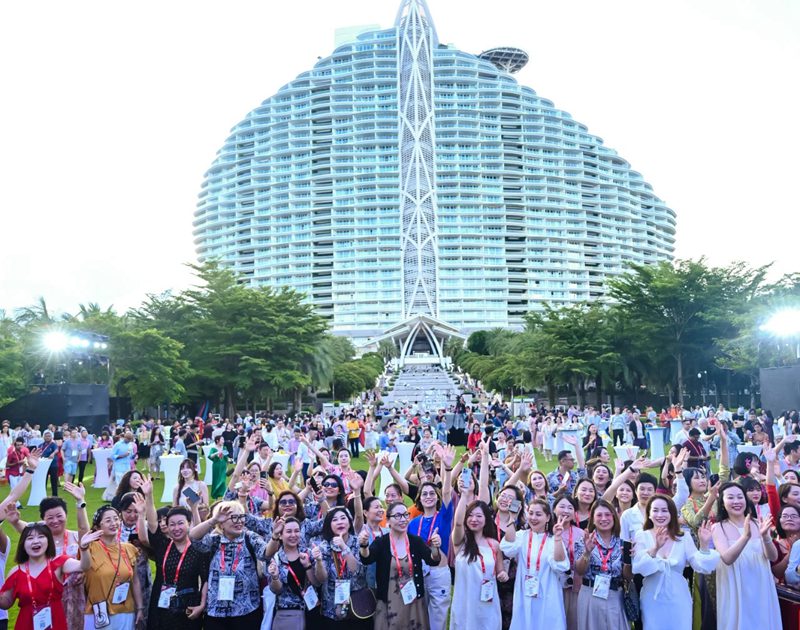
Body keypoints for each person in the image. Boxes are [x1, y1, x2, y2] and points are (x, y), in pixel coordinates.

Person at [5, 481, 90, 630]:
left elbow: (84, 533)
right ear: (42, 519)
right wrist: (15, 521)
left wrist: (80, 502)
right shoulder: (40, 540)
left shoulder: (76, 537)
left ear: (66, 515)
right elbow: (26, 531)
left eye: (59, 516)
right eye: (50, 517)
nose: (55, 521)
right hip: (42, 598)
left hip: (73, 595)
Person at [632, 496, 719, 630]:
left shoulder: (683, 536)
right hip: (652, 598)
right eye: (655, 510)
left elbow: (698, 564)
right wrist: (655, 548)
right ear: (649, 514)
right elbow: (640, 568)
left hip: (679, 597)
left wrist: (704, 545)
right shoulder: (641, 535)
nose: (660, 515)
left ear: (672, 513)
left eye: (664, 510)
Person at [359, 501, 442, 630]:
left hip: (413, 601)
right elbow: (367, 559)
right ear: (388, 520)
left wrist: (435, 548)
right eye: (397, 516)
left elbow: (433, 560)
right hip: (389, 601)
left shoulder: (415, 541)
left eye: (405, 515)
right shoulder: (382, 542)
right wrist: (364, 545)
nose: (403, 519)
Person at [188, 501, 268, 630]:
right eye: (233, 517)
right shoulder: (215, 540)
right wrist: (214, 520)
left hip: (246, 610)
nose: (239, 521)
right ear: (221, 523)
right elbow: (193, 537)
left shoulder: (250, 538)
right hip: (216, 611)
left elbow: (266, 553)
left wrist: (275, 537)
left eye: (241, 517)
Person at [137, 489, 209, 630]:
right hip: (162, 604)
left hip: (188, 606)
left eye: (180, 523)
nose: (176, 528)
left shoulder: (197, 549)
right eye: (172, 524)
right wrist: (149, 495)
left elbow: (205, 578)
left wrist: (202, 604)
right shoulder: (163, 545)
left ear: (189, 523)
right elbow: (152, 525)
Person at [711, 482, 780, 629]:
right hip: (735, 586)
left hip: (760, 584)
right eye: (730, 497)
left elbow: (773, 557)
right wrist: (745, 537)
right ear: (722, 503)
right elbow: (727, 558)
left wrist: (765, 537)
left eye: (739, 497)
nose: (736, 501)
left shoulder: (758, 523)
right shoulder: (718, 528)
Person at [0, 522, 93, 630]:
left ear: (48, 541)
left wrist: (84, 549)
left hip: (56, 623)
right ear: (23, 544)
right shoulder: (16, 572)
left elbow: (84, 566)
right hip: (26, 624)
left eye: (41, 537)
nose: (36, 541)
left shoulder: (58, 563)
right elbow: (6, 603)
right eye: (30, 538)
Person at [500, 498, 570, 630]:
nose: (533, 518)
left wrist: (558, 538)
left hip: (548, 591)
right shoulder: (522, 535)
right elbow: (508, 548)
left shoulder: (552, 539)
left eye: (538, 514)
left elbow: (560, 565)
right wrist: (512, 518)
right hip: (524, 591)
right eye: (530, 513)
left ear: (548, 517)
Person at [82, 505, 145, 630]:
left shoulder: (129, 548)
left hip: (126, 612)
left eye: (116, 519)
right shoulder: (89, 548)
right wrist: (80, 504)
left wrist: (140, 608)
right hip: (98, 613)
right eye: (108, 520)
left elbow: (135, 581)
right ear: (97, 527)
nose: (114, 523)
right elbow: (82, 528)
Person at [450, 494, 507, 630]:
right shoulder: (460, 542)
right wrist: (464, 495)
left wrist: (503, 575)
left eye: (479, 516)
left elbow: (500, 571)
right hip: (465, 602)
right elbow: (458, 523)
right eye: (470, 515)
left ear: (486, 519)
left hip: (487, 602)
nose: (474, 519)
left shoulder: (494, 545)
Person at [574, 499, 627, 630]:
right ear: (592, 519)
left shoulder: (622, 542)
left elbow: (628, 576)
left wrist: (628, 560)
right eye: (599, 515)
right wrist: (587, 552)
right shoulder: (584, 541)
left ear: (614, 517)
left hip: (615, 595)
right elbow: (579, 571)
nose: (604, 519)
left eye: (607, 515)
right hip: (590, 594)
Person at [267, 517, 326, 630]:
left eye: (297, 531)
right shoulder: (275, 558)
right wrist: (275, 577)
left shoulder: (309, 553)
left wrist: (308, 566)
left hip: (312, 608)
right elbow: (277, 590)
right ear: (280, 535)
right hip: (289, 614)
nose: (293, 535)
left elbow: (318, 583)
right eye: (289, 531)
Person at [316, 506, 369, 628]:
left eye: (343, 518)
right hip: (331, 609)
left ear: (349, 523)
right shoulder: (324, 547)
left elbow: (359, 572)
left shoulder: (358, 543)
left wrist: (344, 548)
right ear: (329, 525)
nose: (339, 522)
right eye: (334, 520)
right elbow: (321, 579)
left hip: (358, 606)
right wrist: (318, 561)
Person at [209, 435, 228, 500]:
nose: (223, 441)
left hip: (223, 466)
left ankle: (223, 495)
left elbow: (226, 458)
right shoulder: (213, 449)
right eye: (222, 439)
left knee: (223, 481)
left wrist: (227, 467)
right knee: (216, 480)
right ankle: (215, 496)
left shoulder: (224, 448)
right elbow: (210, 456)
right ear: (217, 441)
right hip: (216, 467)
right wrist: (217, 453)